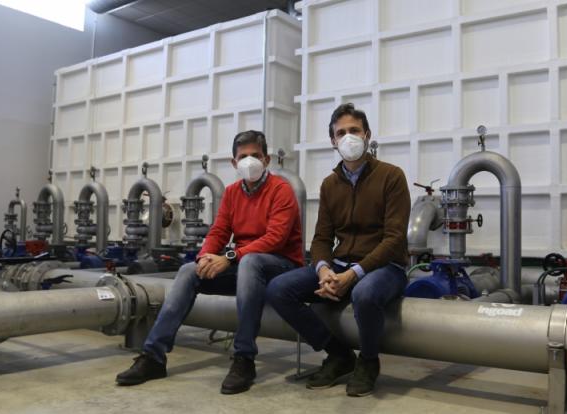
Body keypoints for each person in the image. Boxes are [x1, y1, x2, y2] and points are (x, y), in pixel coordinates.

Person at [115, 130, 304, 395]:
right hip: (246, 266)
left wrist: (229, 257)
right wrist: (205, 257)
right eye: (243, 157)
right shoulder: (231, 193)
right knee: (188, 270)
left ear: (267, 159)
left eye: (256, 156)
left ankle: (244, 358)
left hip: (281, 266)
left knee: (250, 262)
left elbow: (275, 238)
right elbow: (218, 231)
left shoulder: (281, 190)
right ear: (233, 163)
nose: (250, 161)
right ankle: (154, 356)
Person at [266, 103, 411, 397]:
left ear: (367, 135)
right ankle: (338, 354)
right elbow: (321, 239)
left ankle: (369, 362)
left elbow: (394, 238)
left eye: (354, 130)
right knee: (279, 289)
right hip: (341, 265)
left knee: (364, 293)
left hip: (387, 267)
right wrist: (323, 270)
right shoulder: (330, 185)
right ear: (332, 141)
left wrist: (354, 275)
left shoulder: (392, 176)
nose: (348, 137)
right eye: (340, 132)